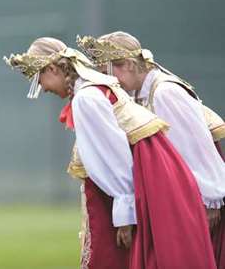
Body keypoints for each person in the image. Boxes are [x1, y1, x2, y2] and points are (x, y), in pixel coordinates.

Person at [4, 37, 216, 269]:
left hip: (148, 183)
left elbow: (114, 157)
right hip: (151, 180)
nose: (42, 88)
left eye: (39, 78)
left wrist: (125, 215)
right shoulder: (95, 89)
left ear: (53, 68)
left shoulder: (87, 97)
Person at [78, 31, 225, 268]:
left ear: (126, 64)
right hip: (173, 198)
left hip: (196, 202)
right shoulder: (139, 93)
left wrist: (211, 201)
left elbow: (197, 148)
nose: (110, 82)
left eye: (110, 72)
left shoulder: (165, 92)